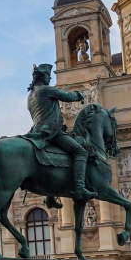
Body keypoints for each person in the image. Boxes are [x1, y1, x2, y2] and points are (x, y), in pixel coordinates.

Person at [24, 63, 94, 199]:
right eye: (48, 76)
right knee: (80, 151)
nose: (50, 79)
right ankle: (79, 188)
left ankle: (50, 197)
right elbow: (67, 97)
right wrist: (78, 95)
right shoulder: (46, 89)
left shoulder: (30, 95)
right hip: (51, 131)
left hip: (36, 131)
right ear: (43, 76)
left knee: (53, 159)